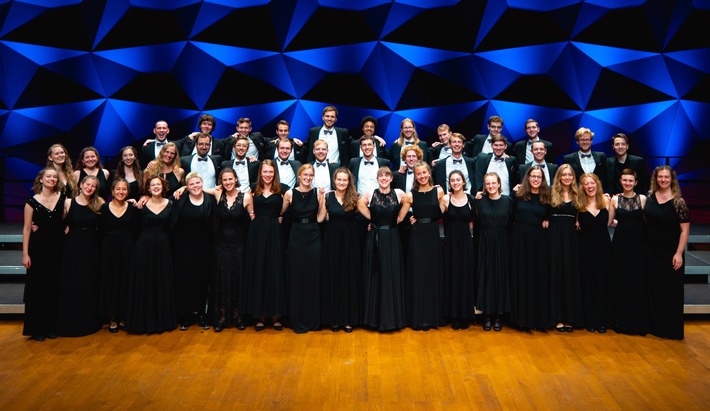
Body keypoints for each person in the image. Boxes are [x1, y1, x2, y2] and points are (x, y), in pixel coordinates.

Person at [321, 168, 371, 333]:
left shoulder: (355, 198)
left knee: (349, 278)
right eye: (339, 180)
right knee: (334, 277)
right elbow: (320, 218)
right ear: (334, 180)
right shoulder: (328, 197)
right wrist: (321, 200)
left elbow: (370, 215)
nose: (342, 182)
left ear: (349, 182)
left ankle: (349, 319)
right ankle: (335, 319)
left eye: (345, 180)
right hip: (332, 241)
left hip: (350, 242)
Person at [125, 175, 176, 334]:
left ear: (163, 187)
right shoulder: (142, 205)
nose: (155, 187)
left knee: (161, 280)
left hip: (163, 247)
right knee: (144, 282)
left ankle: (162, 320)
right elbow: (133, 225)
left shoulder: (171, 204)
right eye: (152, 185)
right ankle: (143, 321)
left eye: (158, 184)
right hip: (144, 247)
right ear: (148, 188)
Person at [397, 161, 445, 330]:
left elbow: (445, 211)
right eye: (419, 174)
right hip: (417, 236)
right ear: (415, 176)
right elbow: (399, 218)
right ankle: (418, 317)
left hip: (432, 235)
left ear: (429, 173)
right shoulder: (410, 195)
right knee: (418, 274)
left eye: (424, 173)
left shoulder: (439, 192)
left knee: (432, 274)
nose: (422, 176)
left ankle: (432, 317)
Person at [22, 168, 66, 341]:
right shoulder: (31, 202)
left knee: (54, 287)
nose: (52, 179)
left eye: (55, 177)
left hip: (57, 248)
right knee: (38, 288)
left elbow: (65, 219)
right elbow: (26, 229)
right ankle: (37, 328)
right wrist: (25, 254)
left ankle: (51, 326)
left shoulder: (62, 198)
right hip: (38, 249)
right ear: (41, 179)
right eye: (48, 176)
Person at [645, 166, 689, 340]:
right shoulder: (649, 196)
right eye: (660, 177)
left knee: (670, 291)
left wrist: (679, 253)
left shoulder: (679, 202)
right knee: (652, 289)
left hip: (670, 252)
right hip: (650, 250)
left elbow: (684, 231)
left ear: (672, 180)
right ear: (656, 179)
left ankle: (669, 329)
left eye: (666, 177)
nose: (663, 180)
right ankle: (653, 326)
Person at [281, 164, 327, 333]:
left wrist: (322, 200)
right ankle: (296, 318)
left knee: (312, 276)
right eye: (305, 175)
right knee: (296, 275)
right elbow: (280, 213)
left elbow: (321, 218)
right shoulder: (290, 193)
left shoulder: (317, 193)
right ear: (299, 176)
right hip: (296, 236)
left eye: (311, 175)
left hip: (313, 235)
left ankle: (313, 319)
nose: (308, 178)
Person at [57, 175, 104, 337]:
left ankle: (88, 322)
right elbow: (58, 223)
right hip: (72, 247)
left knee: (88, 283)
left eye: (93, 186)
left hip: (91, 247)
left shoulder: (99, 203)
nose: (90, 188)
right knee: (72, 283)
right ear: (81, 184)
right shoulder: (69, 202)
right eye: (87, 184)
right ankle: (70, 322)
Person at [361, 166, 406, 331]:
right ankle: (374, 319)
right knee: (376, 275)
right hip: (375, 237)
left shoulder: (399, 193)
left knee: (391, 275)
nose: (384, 178)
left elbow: (410, 201)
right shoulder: (370, 194)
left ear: (391, 178)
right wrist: (371, 219)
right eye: (381, 176)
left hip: (392, 237)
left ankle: (392, 319)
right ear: (377, 178)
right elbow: (358, 204)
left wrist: (400, 218)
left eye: (387, 176)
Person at [244, 160, 288, 331]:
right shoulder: (253, 189)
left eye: (271, 172)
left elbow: (284, 210)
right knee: (259, 269)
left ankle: (276, 316)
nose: (268, 175)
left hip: (275, 233)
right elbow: (248, 206)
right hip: (257, 233)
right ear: (260, 172)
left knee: (275, 271)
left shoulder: (281, 189)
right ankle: (260, 316)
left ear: (274, 173)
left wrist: (281, 217)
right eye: (265, 172)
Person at [170, 172, 217, 331]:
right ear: (186, 187)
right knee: (184, 280)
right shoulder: (179, 199)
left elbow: (213, 225)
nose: (195, 186)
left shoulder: (210, 200)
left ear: (202, 183)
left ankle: (200, 314)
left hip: (203, 247)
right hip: (182, 248)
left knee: (202, 280)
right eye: (191, 184)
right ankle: (185, 315)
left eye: (198, 183)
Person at [209, 168, 253, 332]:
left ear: (236, 179)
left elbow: (252, 218)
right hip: (220, 244)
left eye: (230, 179)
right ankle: (221, 317)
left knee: (237, 277)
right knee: (221, 278)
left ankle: (238, 316)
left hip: (238, 244)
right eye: (224, 180)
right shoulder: (217, 193)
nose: (227, 182)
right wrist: (183, 188)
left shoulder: (246, 197)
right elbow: (198, 188)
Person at [509, 166, 552, 332]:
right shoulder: (518, 195)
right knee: (520, 277)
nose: (535, 179)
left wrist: (547, 220)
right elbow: (510, 215)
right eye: (533, 176)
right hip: (519, 239)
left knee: (536, 277)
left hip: (538, 241)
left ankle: (536, 318)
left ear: (542, 179)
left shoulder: (546, 196)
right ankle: (520, 318)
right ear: (527, 178)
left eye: (539, 177)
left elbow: (549, 216)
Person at [607, 169, 648, 335]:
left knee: (637, 281)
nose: (627, 183)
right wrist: (624, 226)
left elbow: (647, 221)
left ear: (636, 182)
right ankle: (621, 321)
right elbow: (610, 222)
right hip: (620, 244)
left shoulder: (643, 199)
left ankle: (637, 321)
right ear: (620, 181)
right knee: (621, 281)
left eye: (630, 180)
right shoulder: (615, 199)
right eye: (625, 180)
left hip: (638, 245)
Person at [99, 178, 140, 333]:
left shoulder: (132, 208)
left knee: (125, 282)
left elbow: (136, 230)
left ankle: (123, 316)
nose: (121, 192)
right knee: (110, 281)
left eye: (124, 189)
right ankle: (112, 318)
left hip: (128, 249)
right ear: (112, 191)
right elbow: (99, 230)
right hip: (108, 249)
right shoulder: (103, 208)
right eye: (118, 189)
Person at [475, 172, 513, 332]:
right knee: (486, 276)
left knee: (500, 277)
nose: (490, 186)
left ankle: (498, 315)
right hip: (485, 242)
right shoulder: (479, 201)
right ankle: (487, 314)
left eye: (493, 183)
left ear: (499, 184)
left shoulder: (508, 201)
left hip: (502, 242)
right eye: (487, 184)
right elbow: (476, 224)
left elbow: (512, 223)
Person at [548, 164, 583, 332]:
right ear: (559, 177)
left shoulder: (578, 194)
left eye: (570, 174)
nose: (567, 177)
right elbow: (544, 212)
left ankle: (569, 317)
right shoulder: (550, 193)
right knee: (556, 274)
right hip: (554, 236)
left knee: (570, 275)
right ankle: (556, 317)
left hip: (571, 236)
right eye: (564, 174)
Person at [440, 170, 476, 330]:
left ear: (463, 182)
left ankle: (464, 315)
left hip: (466, 243)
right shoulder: (446, 199)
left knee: (465, 277)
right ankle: (453, 314)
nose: (455, 183)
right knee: (452, 276)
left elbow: (478, 218)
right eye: (452, 180)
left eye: (458, 180)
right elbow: (433, 215)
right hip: (450, 244)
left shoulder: (471, 199)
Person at [577, 173, 612, 333]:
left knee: (602, 282)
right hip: (584, 247)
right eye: (586, 184)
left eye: (592, 183)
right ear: (582, 187)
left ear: (597, 184)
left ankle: (601, 320)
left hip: (603, 246)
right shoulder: (579, 203)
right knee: (588, 282)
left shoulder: (607, 201)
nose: (590, 187)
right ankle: (589, 320)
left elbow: (611, 222)